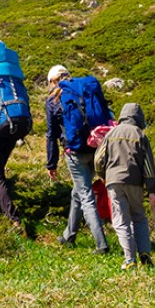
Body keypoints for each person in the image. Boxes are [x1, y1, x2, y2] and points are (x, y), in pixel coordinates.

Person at [44, 65, 109, 254]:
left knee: (85, 195)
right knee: (78, 191)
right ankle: (69, 235)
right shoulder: (85, 89)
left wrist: (51, 163)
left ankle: (101, 244)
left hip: (74, 152)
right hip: (96, 146)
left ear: (52, 81)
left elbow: (51, 134)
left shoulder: (53, 100)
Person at [94, 103, 155, 269]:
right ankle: (144, 252)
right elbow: (148, 166)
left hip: (114, 182)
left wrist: (103, 175)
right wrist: (152, 190)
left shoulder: (111, 133)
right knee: (139, 216)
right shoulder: (140, 134)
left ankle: (130, 260)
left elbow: (98, 160)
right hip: (135, 182)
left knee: (121, 220)